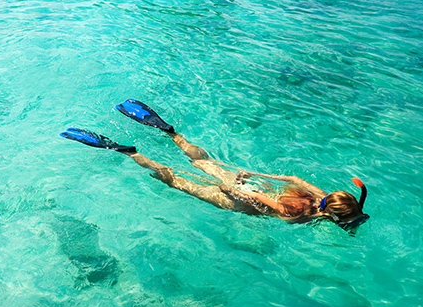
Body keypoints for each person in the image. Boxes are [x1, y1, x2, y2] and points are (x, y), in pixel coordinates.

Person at [61, 99, 370, 233]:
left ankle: (171, 133)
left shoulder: (319, 193)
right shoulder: (301, 214)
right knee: (178, 182)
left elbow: (289, 177)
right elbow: (266, 203)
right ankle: (126, 151)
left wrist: (250, 175)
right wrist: (232, 190)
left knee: (203, 160)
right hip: (238, 197)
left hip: (252, 183)